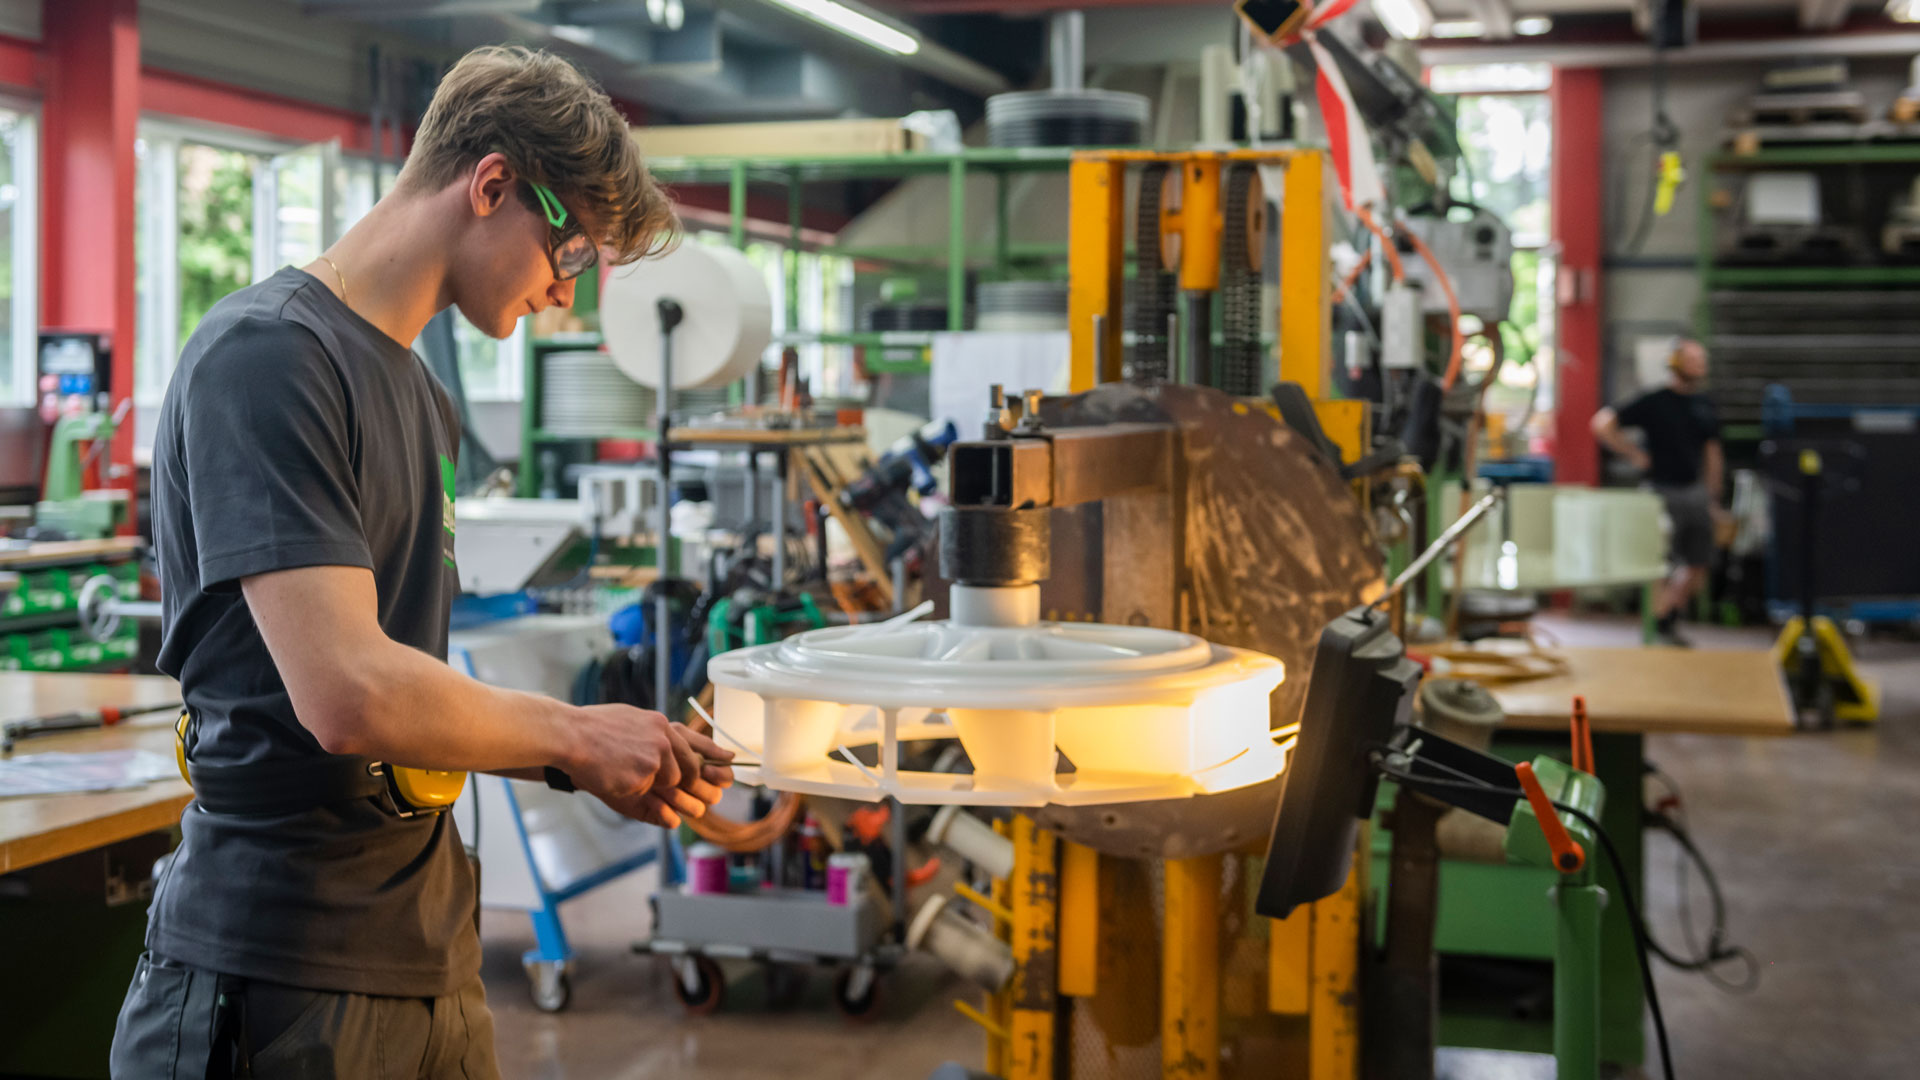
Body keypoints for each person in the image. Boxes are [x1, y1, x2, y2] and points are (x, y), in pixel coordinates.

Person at [109, 46, 731, 1078]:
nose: (562, 298)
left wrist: (596, 755)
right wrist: (575, 733)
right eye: (568, 255)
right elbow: (347, 692)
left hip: (425, 949)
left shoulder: (419, 394)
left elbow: (412, 677)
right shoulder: (267, 357)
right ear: (491, 184)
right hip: (281, 966)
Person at [1591, 338, 1728, 647]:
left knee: (1698, 563)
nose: (1700, 366)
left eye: (1701, 360)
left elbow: (1712, 452)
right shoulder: (1654, 402)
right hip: (1659, 492)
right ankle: (1658, 628)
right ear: (1676, 364)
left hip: (1694, 492)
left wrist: (1713, 496)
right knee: (1658, 563)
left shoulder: (1704, 406)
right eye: (1693, 360)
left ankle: (1666, 616)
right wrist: (1633, 455)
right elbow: (1602, 424)